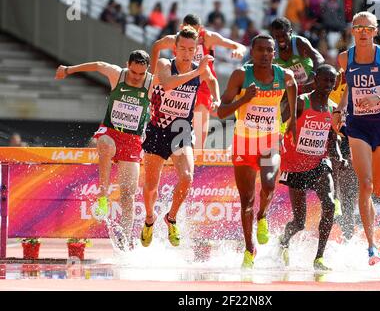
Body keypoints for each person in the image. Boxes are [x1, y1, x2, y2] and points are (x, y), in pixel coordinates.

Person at [55, 50, 153, 251]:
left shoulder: (152, 83)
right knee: (106, 145)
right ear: (127, 65)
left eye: (140, 74)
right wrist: (67, 70)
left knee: (128, 194)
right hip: (111, 132)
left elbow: (174, 83)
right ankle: (103, 197)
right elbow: (98, 64)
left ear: (147, 71)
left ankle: (125, 241)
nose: (136, 78)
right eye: (133, 72)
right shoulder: (117, 74)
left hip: (132, 140)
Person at [217, 34, 297, 268]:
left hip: (269, 140)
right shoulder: (241, 75)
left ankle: (263, 216)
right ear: (252, 52)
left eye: (269, 50)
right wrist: (245, 100)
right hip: (243, 142)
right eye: (260, 49)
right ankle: (249, 249)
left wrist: (290, 119)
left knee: (270, 185)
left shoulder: (285, 76)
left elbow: (292, 89)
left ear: (274, 53)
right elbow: (221, 112)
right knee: (246, 201)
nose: (264, 54)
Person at [331, 11, 380, 265]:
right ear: (352, 31)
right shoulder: (344, 58)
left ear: (375, 31)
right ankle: (372, 247)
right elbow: (346, 91)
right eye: (358, 27)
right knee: (366, 185)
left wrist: (379, 99)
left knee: (379, 189)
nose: (363, 32)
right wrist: (339, 110)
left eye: (367, 28)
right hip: (358, 125)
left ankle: (372, 229)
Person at [140, 27, 219, 248]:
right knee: (150, 186)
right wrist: (197, 72)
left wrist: (217, 97)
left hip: (181, 130)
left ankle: (171, 217)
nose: (186, 53)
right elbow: (167, 84)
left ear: (196, 50)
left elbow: (212, 80)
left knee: (187, 177)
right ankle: (149, 218)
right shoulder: (166, 64)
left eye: (191, 49)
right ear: (175, 48)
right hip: (157, 129)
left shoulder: (199, 68)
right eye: (182, 49)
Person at [150, 14, 247, 149]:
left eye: (196, 34)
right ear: (181, 28)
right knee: (171, 127)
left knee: (199, 137)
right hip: (180, 84)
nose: (192, 39)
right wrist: (151, 75)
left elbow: (239, 46)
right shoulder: (175, 40)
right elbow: (156, 47)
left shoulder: (208, 37)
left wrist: (239, 50)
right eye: (184, 47)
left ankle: (195, 156)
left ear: (200, 29)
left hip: (203, 85)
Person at [279, 64, 341, 271]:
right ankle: (283, 241)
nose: (329, 85)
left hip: (319, 163)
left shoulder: (333, 109)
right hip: (295, 165)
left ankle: (319, 258)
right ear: (315, 79)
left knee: (330, 204)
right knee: (299, 223)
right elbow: (282, 122)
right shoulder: (301, 103)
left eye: (332, 81)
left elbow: (332, 139)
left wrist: (339, 157)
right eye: (325, 80)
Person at [270, 17, 324, 94]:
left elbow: (319, 59)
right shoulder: (272, 47)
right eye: (277, 36)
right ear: (273, 35)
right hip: (290, 87)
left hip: (308, 86)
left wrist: (311, 77)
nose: (281, 39)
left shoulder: (300, 43)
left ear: (290, 32)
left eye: (284, 35)